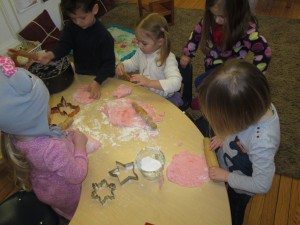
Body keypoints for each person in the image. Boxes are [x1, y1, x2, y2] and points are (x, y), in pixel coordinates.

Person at [0, 55, 88, 220]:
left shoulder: (14, 136)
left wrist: (61, 134)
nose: (48, 109)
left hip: (47, 190)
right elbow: (77, 175)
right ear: (33, 116)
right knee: (81, 215)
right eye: (45, 105)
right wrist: (80, 145)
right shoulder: (52, 149)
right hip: (69, 196)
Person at [198, 59, 280, 225]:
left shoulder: (262, 143)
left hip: (241, 186)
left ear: (240, 117)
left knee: (232, 212)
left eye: (223, 122)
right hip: (228, 164)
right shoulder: (254, 103)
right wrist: (224, 135)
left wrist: (227, 176)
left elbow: (262, 184)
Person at [180, 0, 272, 110]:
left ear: (238, 12)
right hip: (211, 62)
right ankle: (207, 97)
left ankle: (213, 102)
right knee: (207, 83)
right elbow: (196, 34)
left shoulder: (247, 29)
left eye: (222, 16)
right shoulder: (209, 19)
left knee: (207, 85)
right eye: (213, 14)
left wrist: (254, 77)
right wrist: (187, 54)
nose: (217, 20)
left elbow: (264, 52)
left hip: (230, 70)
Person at [38, 0, 115, 99]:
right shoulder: (70, 27)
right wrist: (52, 54)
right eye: (73, 18)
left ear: (95, 9)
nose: (78, 22)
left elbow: (109, 64)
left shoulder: (104, 36)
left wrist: (98, 81)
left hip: (102, 76)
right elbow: (64, 45)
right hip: (81, 73)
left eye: (83, 17)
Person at [115, 13, 183, 107]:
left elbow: (176, 83)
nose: (139, 45)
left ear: (160, 42)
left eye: (144, 43)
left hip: (165, 99)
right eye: (137, 41)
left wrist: (149, 82)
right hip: (147, 93)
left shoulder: (168, 58)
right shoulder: (141, 51)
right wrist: (123, 65)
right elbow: (133, 63)